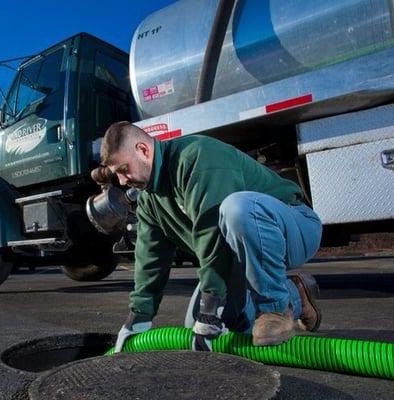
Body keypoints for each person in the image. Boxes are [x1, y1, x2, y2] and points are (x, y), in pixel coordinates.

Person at [95, 121, 323, 352]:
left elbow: (210, 232)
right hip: (237, 255)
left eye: (124, 170)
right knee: (208, 326)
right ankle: (297, 291)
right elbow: (150, 259)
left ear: (143, 150)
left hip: (291, 226)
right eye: (117, 175)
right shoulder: (150, 200)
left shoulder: (197, 158)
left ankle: (275, 308)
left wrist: (211, 306)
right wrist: (138, 318)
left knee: (238, 209)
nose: (123, 181)